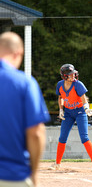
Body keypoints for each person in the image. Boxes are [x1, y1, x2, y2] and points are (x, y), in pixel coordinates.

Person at [0, 31, 50, 186]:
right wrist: (34, 173)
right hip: (12, 175)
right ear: (19, 53)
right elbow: (35, 133)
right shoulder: (24, 83)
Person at [49, 64, 92, 171]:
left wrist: (86, 109)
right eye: (70, 74)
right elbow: (61, 97)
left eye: (73, 74)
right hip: (68, 113)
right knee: (62, 138)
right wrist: (61, 109)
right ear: (64, 76)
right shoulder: (60, 85)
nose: (73, 76)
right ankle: (57, 164)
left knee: (84, 138)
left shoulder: (78, 84)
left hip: (80, 112)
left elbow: (83, 98)